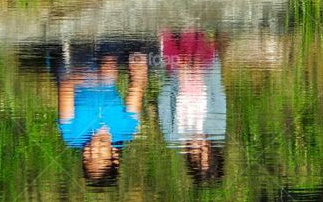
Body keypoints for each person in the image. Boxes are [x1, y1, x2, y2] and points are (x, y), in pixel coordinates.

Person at [58, 52, 148, 186]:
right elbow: (137, 86)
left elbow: (65, 87)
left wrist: (91, 77)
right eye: (100, 155)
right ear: (114, 156)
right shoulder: (127, 129)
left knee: (106, 67)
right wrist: (138, 63)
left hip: (73, 67)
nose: (93, 151)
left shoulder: (71, 136)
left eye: (87, 159)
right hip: (108, 68)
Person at [157, 30, 227, 184]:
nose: (200, 147)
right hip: (203, 69)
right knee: (194, 41)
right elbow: (217, 91)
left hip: (175, 72)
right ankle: (191, 24)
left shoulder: (173, 136)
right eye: (206, 150)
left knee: (173, 44)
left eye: (197, 155)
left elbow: (163, 100)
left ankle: (173, 27)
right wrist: (204, 69)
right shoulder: (217, 129)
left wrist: (178, 75)